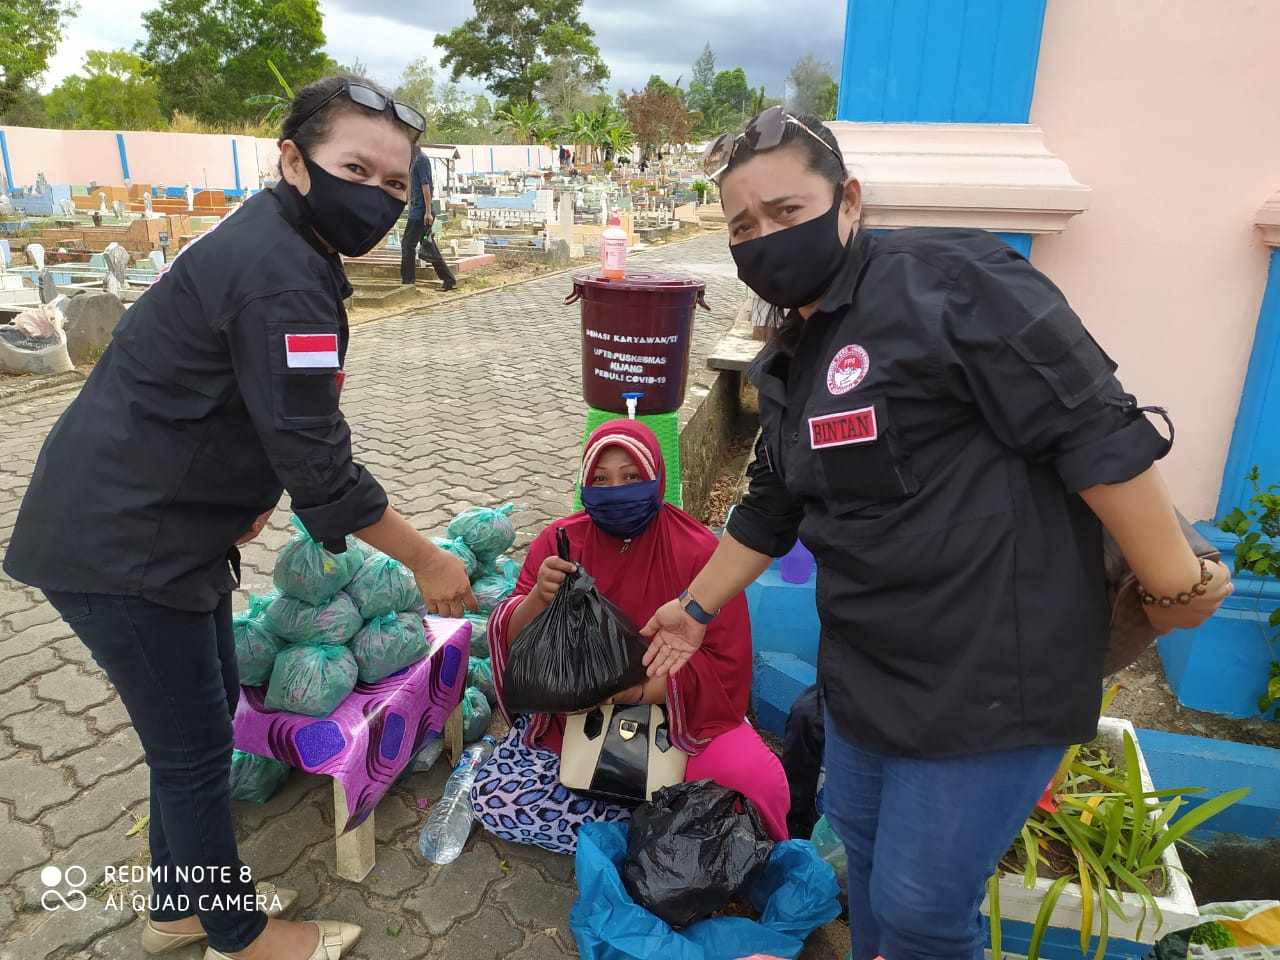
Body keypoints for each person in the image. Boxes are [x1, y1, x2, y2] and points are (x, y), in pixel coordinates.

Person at [639, 106, 1234, 960]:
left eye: (785, 211)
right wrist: (692, 611)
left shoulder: (949, 280)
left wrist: (1175, 582)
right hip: (867, 669)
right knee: (871, 873)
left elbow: (1094, 428)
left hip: (990, 671)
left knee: (924, 909)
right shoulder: (788, 358)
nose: (764, 236)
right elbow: (772, 507)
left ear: (847, 200)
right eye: (743, 225)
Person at [3, 74, 477, 960]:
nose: (375, 194)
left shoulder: (280, 240)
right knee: (189, 750)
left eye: (392, 182)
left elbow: (250, 401)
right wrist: (427, 562)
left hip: (165, 526)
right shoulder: (283, 276)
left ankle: (179, 903)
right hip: (125, 547)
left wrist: (248, 495)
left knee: (208, 718)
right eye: (355, 168)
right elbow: (323, 468)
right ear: (294, 161)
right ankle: (235, 934)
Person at [471, 419, 790, 854]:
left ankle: (658, 836)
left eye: (631, 476)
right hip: (572, 719)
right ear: (584, 485)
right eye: (600, 480)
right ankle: (659, 838)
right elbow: (513, 644)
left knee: (754, 780)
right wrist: (537, 602)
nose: (616, 490)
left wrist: (632, 691)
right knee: (498, 802)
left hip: (678, 714)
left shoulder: (698, 551)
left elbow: (725, 667)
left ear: (656, 477)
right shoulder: (559, 542)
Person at [400, 148, 457, 291]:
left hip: (421, 212)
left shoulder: (421, 159)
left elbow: (426, 187)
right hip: (416, 209)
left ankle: (408, 282)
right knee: (428, 247)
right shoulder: (412, 159)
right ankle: (448, 279)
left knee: (408, 245)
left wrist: (427, 212)